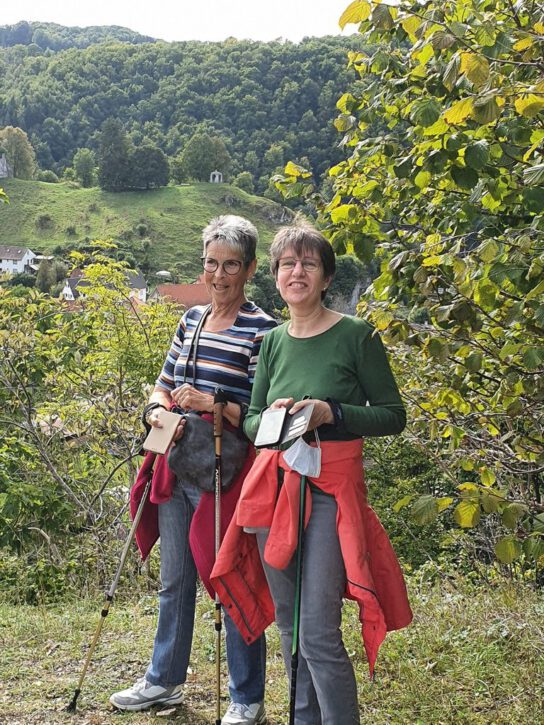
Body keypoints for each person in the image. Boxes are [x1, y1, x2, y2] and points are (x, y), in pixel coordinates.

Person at [211, 220, 413, 724]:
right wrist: (275, 417)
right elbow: (253, 419)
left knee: (318, 628)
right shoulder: (274, 341)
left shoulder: (356, 335)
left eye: (308, 263)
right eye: (287, 264)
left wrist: (332, 413)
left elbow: (393, 415)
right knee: (289, 624)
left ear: (325, 278)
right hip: (274, 488)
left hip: (328, 491)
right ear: (275, 277)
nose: (296, 272)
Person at [110, 215, 276, 725]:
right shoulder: (192, 320)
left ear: (248, 269)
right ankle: (163, 681)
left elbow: (261, 415)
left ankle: (246, 698)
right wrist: (157, 410)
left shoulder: (264, 331)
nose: (218, 274)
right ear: (201, 265)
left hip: (226, 473)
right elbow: (161, 383)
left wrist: (210, 402)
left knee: (229, 580)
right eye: (211, 263)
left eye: (230, 265)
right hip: (178, 465)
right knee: (175, 579)